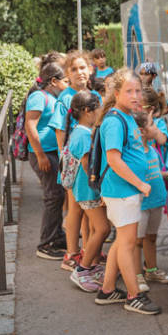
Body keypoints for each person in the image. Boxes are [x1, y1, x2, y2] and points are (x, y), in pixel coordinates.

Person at [93, 68, 161, 316]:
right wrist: (140, 184)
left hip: (125, 191)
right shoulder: (114, 120)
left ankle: (108, 289)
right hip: (123, 191)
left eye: (138, 91)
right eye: (129, 91)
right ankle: (134, 295)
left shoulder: (127, 117)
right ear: (117, 93)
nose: (135, 95)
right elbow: (113, 159)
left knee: (122, 241)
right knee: (127, 243)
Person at [49, 50, 101, 271]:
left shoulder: (92, 95)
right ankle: (71, 253)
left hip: (89, 157)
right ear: (67, 75)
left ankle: (90, 251)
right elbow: (60, 131)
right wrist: (64, 161)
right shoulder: (65, 97)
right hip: (75, 161)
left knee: (89, 209)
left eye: (83, 67)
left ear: (90, 69)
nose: (79, 72)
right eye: (74, 69)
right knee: (75, 209)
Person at [65, 90, 110, 292]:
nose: (101, 111)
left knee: (97, 229)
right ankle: (82, 270)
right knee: (103, 229)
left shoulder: (79, 130)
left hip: (85, 190)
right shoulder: (83, 135)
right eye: (98, 107)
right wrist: (100, 189)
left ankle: (91, 266)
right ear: (87, 111)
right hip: (88, 191)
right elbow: (86, 164)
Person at [24, 63, 69, 260]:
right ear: (54, 81)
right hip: (42, 154)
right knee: (52, 196)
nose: (67, 84)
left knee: (58, 195)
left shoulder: (52, 97)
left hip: (51, 152)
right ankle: (45, 243)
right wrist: (41, 155)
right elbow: (30, 125)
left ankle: (57, 236)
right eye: (65, 81)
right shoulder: (39, 97)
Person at [133, 111, 168, 291]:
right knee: (137, 241)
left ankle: (151, 269)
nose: (156, 129)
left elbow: (156, 172)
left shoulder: (152, 149)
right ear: (141, 131)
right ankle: (137, 275)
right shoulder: (133, 152)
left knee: (151, 237)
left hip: (156, 201)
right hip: (141, 204)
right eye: (152, 125)